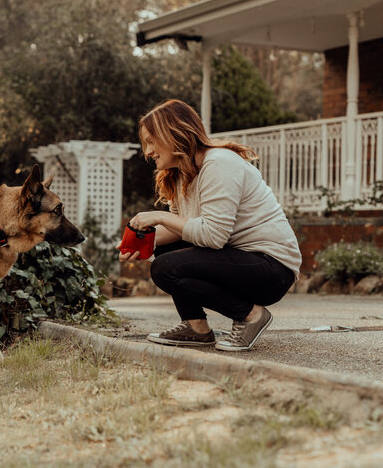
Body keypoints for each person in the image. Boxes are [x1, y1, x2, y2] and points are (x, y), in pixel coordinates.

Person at [118, 99, 301, 351]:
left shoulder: (219, 163)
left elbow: (213, 236)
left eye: (151, 141)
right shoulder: (180, 174)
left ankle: (251, 316)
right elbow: (179, 229)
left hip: (270, 267)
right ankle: (196, 327)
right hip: (239, 258)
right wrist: (141, 241)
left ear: (173, 133)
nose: (147, 152)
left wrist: (158, 217)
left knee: (165, 267)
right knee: (163, 254)